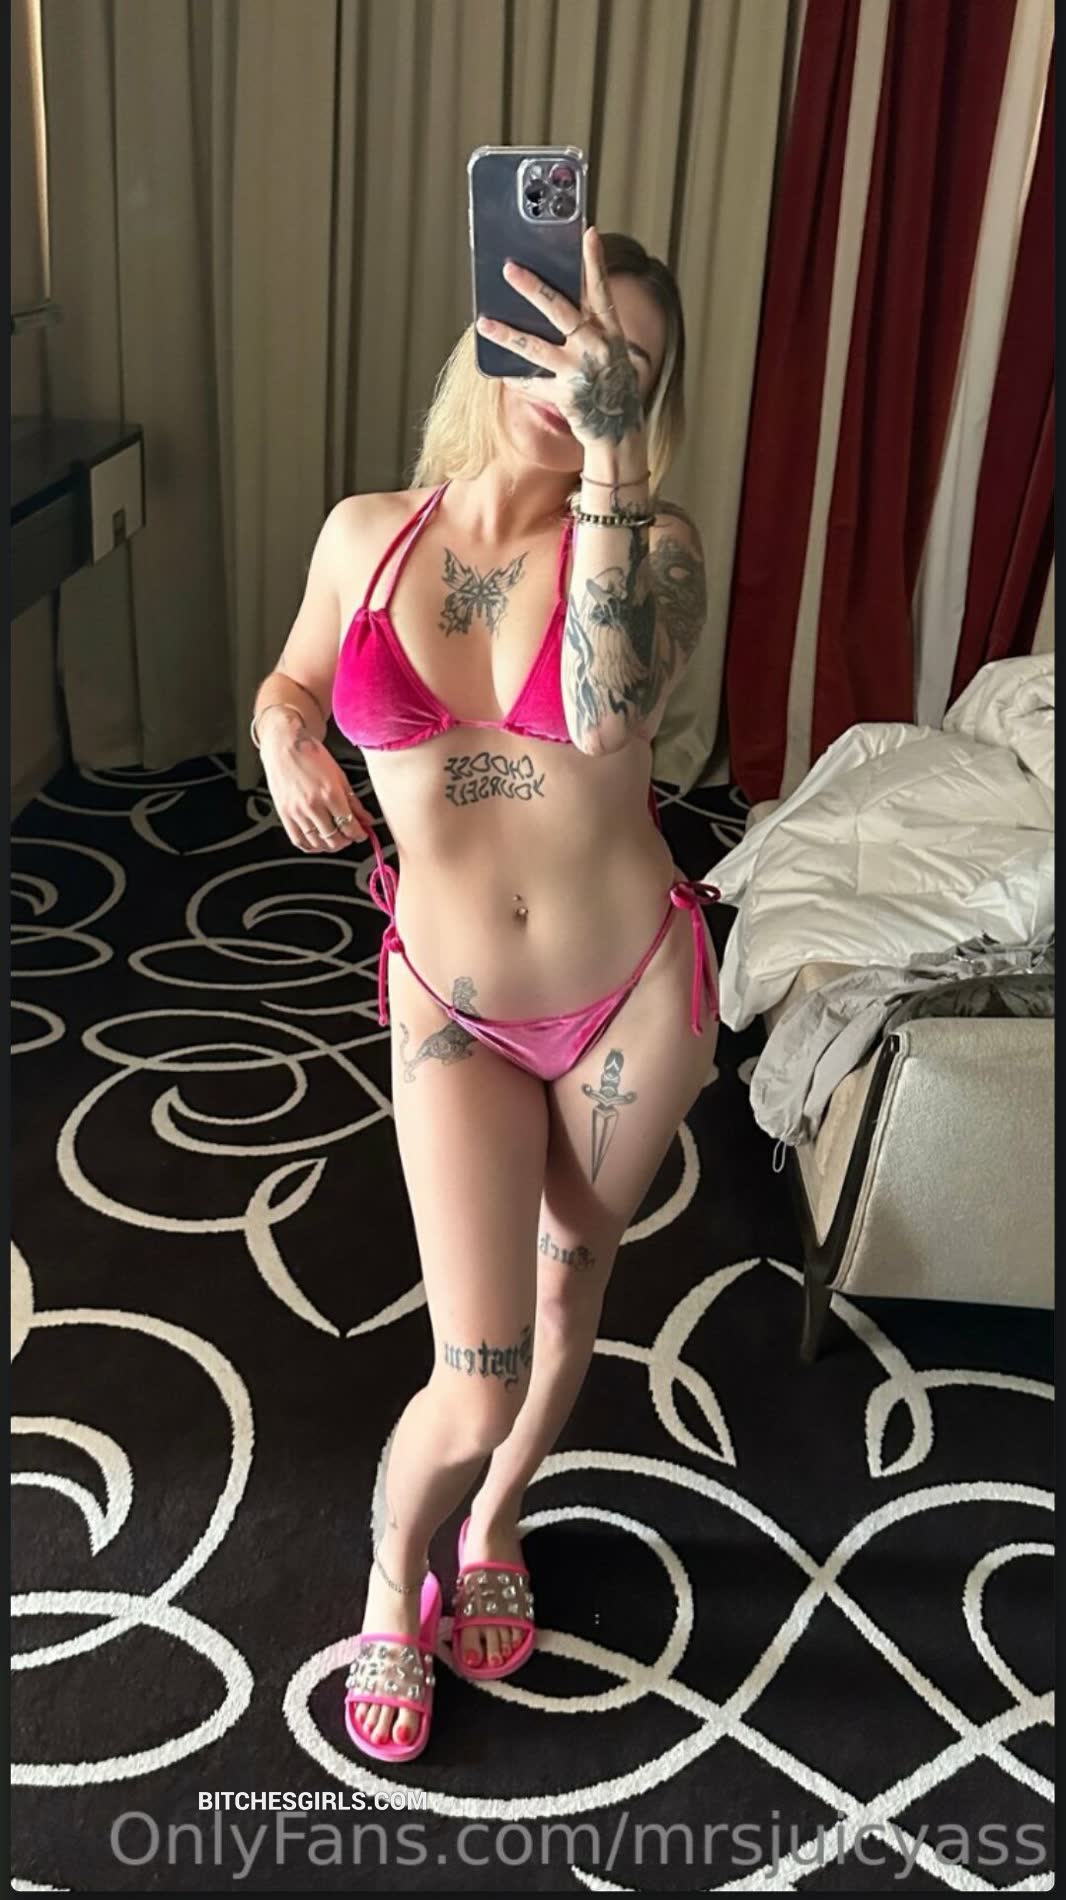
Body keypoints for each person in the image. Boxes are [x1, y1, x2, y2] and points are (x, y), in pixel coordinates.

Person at [250, 227, 719, 1761]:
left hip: (625, 995)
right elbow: (290, 680)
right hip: (452, 1000)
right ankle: (393, 1580)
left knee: (574, 1285)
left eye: (620, 365)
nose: (579, 378)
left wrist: (610, 467)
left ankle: (499, 1517)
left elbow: (604, 709)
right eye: (559, 337)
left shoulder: (650, 545)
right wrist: (284, 739)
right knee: (477, 1367)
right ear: (492, 335)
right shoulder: (366, 535)